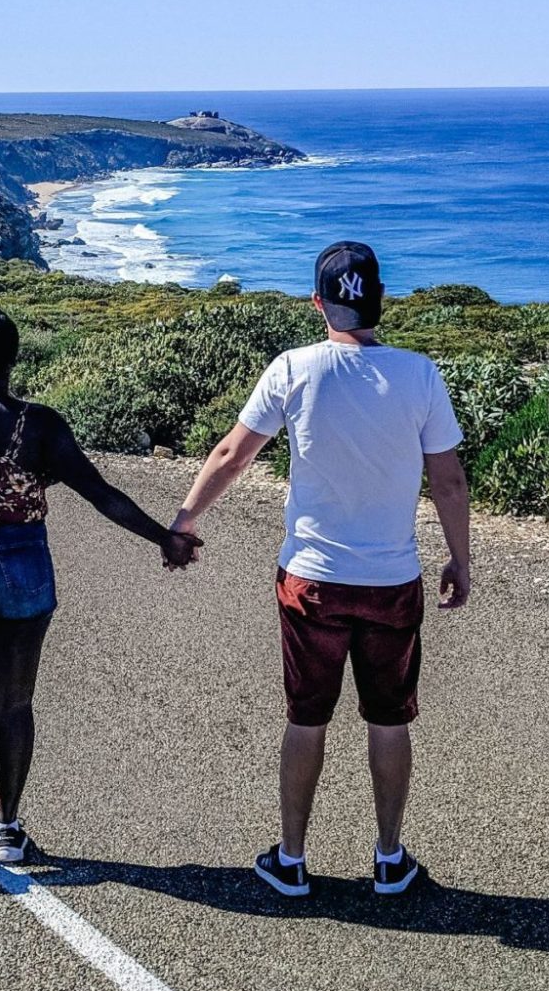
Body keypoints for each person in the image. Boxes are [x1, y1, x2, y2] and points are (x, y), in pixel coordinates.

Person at [171, 242, 470, 899]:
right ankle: (389, 860)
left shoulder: (293, 369)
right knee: (388, 719)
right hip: (391, 582)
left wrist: (185, 519)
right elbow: (448, 479)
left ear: (318, 304)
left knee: (307, 716)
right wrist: (460, 558)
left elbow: (231, 453)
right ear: (379, 302)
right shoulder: (421, 375)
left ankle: (292, 858)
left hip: (311, 580)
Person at [0, 306, 201, 872]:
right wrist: (163, 538)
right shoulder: (41, 426)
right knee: (13, 703)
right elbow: (100, 493)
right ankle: (9, 829)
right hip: (24, 565)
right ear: (15, 357)